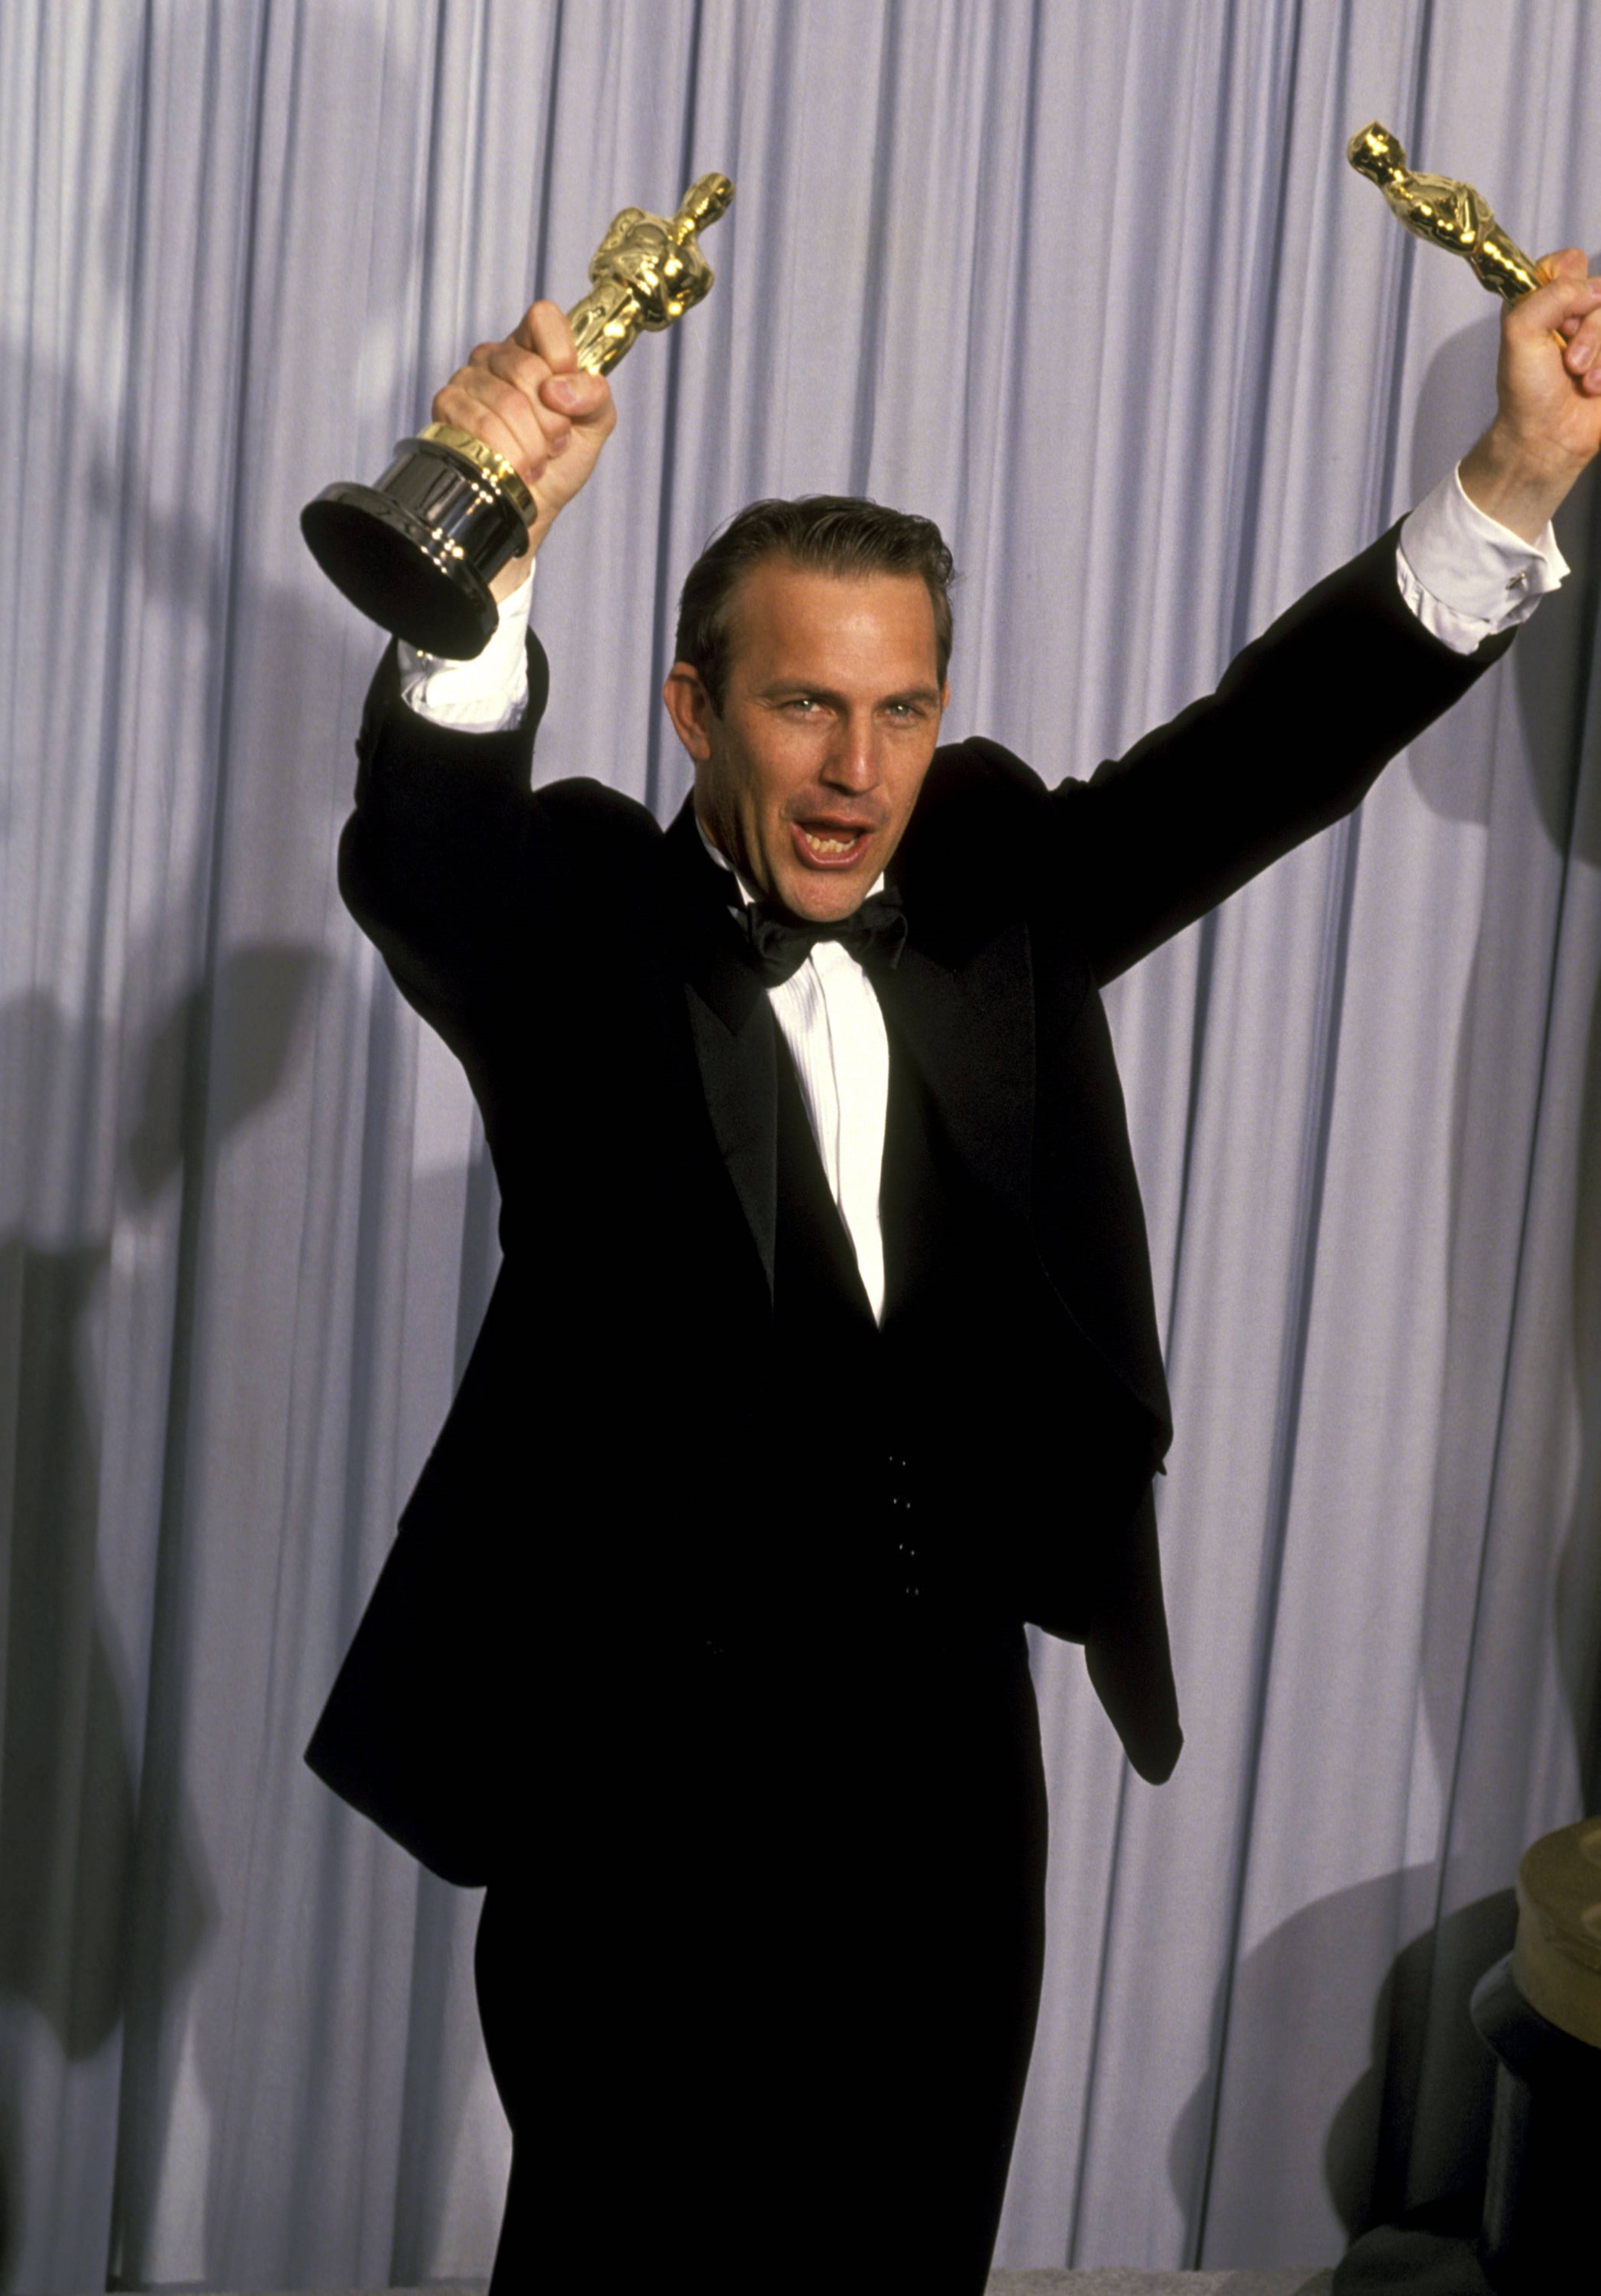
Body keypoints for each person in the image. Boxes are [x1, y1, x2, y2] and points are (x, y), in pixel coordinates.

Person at [306, 251, 1601, 2292]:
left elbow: (1262, 753)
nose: (857, 769)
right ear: (693, 708)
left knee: (910, 2244)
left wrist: (1514, 475)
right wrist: (483, 559)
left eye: (900, 709)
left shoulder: (993, 882)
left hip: (944, 1767)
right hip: (634, 1770)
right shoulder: (571, 915)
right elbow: (426, 853)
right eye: (803, 705)